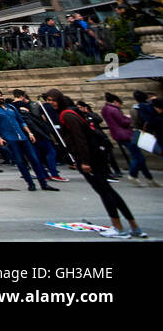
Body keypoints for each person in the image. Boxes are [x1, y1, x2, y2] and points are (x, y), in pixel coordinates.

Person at [45, 89, 147, 238]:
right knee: (109, 191)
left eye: (52, 100)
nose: (50, 103)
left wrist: (84, 161)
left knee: (105, 192)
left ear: (60, 100)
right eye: (48, 100)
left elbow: (80, 140)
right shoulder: (74, 113)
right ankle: (134, 226)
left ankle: (118, 227)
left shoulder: (67, 115)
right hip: (95, 157)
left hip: (89, 159)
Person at [0, 88, 58, 192]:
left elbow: (21, 121)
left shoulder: (10, 107)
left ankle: (43, 183)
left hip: (22, 136)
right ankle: (30, 183)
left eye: (1, 95)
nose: (0, 97)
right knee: (20, 161)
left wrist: (29, 132)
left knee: (34, 160)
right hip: (10, 138)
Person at [102, 93, 156, 186]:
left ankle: (149, 178)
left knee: (139, 156)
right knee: (138, 156)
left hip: (118, 135)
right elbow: (123, 122)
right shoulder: (114, 110)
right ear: (115, 102)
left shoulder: (105, 109)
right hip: (125, 135)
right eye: (120, 103)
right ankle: (133, 175)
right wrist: (128, 118)